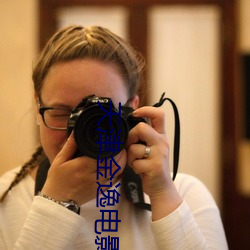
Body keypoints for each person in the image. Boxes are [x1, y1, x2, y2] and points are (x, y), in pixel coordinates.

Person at [0, 25, 228, 249]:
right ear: (38, 107)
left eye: (100, 114)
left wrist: (162, 193)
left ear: (133, 110)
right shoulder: (5, 200)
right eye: (62, 113)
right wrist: (55, 205)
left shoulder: (184, 194)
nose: (79, 132)